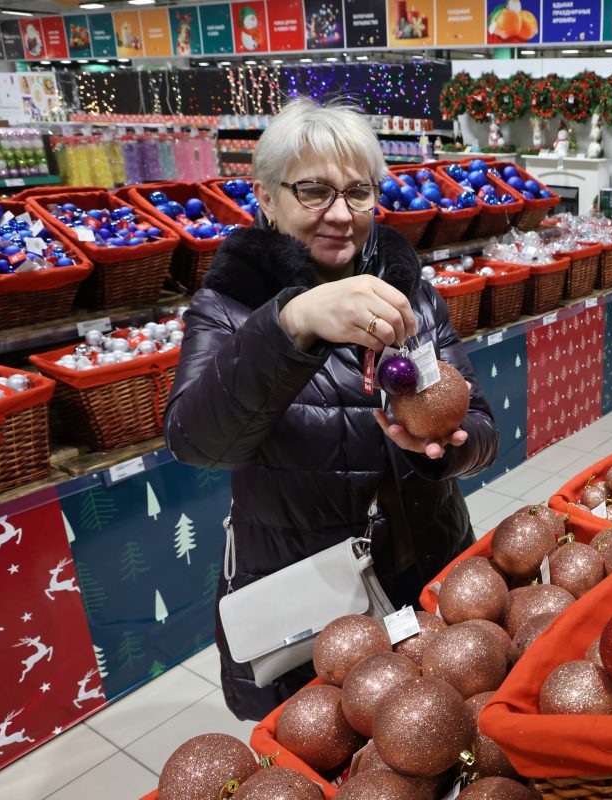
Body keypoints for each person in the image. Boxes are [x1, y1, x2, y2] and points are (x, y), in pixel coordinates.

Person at [164, 96, 497, 720]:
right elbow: (197, 441)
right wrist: (291, 323)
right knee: (325, 745)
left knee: (435, 734)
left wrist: (442, 452)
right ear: (266, 197)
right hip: (310, 601)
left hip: (428, 566)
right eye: (314, 191)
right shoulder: (229, 307)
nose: (341, 215)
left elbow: (480, 426)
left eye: (359, 192)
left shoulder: (411, 295)